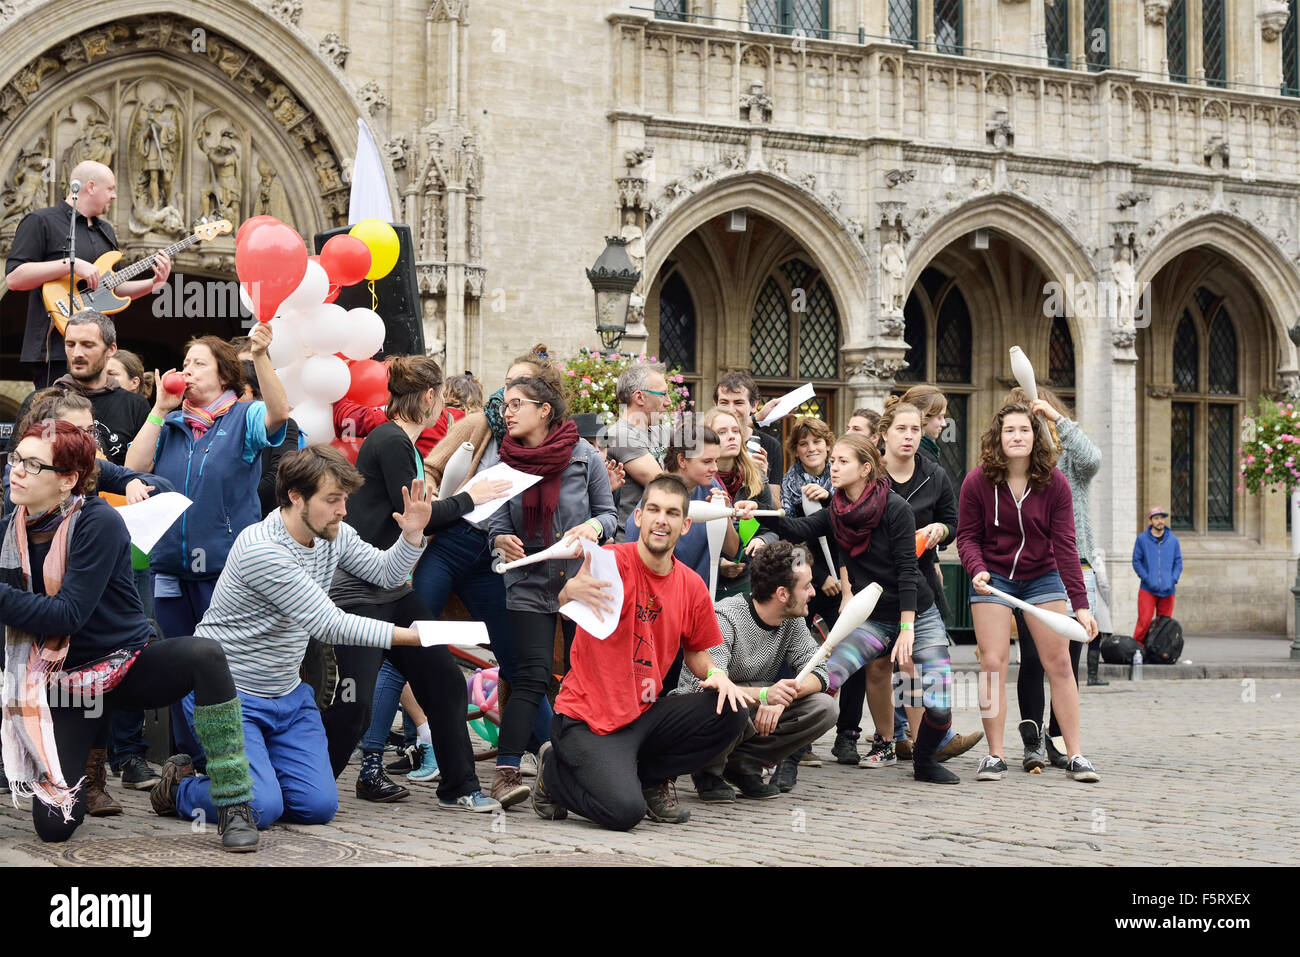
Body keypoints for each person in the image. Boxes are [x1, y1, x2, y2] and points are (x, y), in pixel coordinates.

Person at [1, 420, 257, 851]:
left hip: (127, 662)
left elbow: (67, 615)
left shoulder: (97, 522)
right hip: (67, 683)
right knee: (54, 826)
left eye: (32, 464)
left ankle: (234, 803)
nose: (17, 471)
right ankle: (89, 766)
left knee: (206, 656)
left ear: (67, 480)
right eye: (15, 459)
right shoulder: (10, 529)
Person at [170, 446, 457, 828]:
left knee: (317, 807)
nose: (343, 510)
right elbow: (330, 624)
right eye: (333, 500)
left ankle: (253, 776)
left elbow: (386, 574)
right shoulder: (263, 550)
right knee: (260, 808)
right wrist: (412, 637)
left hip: (287, 695)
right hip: (227, 695)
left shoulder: (331, 533)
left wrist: (411, 537)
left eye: (345, 500)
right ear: (295, 496)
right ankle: (181, 788)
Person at [324, 356, 509, 809]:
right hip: (358, 591)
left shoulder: (397, 441)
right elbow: (422, 521)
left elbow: (416, 522)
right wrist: (473, 496)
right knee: (354, 703)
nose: (441, 410)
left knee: (443, 680)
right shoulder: (390, 440)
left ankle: (460, 787)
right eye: (439, 400)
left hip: (393, 588)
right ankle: (311, 783)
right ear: (428, 398)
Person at [529, 474, 753, 829]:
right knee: (624, 813)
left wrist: (718, 676)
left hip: (643, 714)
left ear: (685, 524)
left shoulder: (692, 586)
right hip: (586, 721)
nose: (661, 519)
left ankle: (646, 779)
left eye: (672, 512)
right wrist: (569, 589)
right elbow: (553, 599)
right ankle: (553, 773)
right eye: (653, 510)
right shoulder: (609, 562)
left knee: (732, 712)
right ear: (638, 517)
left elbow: (698, 654)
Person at [779, 433, 961, 784]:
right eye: (833, 461)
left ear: (865, 469)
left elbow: (908, 570)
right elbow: (795, 527)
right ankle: (787, 758)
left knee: (939, 704)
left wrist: (907, 628)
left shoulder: (896, 508)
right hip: (872, 617)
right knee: (824, 677)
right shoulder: (836, 511)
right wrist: (753, 517)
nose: (833, 467)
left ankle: (924, 762)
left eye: (842, 462)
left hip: (918, 615)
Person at [418, 346, 558, 778]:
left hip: (494, 557)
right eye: (509, 385)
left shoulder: (541, 446)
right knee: (413, 634)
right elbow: (432, 469)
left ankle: (555, 751)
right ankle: (391, 749)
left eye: (522, 390)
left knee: (516, 658)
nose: (510, 396)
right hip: (454, 538)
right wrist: (439, 507)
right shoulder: (480, 423)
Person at [486, 369, 617, 807]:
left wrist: (595, 526)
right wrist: (498, 539)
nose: (507, 413)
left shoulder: (584, 455)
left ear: (544, 410)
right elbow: (496, 524)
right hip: (527, 579)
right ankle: (506, 773)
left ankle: (576, 767)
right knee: (533, 675)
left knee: (583, 677)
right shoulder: (503, 463)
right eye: (505, 406)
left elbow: (610, 513)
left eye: (515, 405)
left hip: (580, 580)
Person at [955, 395, 1101, 783]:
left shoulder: (1055, 484)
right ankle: (995, 755)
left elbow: (1066, 546)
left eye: (1024, 430)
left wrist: (1081, 606)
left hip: (1042, 576)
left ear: (1036, 437)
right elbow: (966, 536)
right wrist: (977, 568)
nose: (1017, 436)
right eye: (1009, 430)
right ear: (997, 437)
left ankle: (1076, 755)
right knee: (992, 664)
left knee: (1060, 665)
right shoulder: (977, 481)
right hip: (994, 579)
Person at [124, 325, 288, 646]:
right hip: (169, 569)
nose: (188, 370)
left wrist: (258, 355)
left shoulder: (245, 416)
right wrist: (158, 409)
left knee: (223, 665)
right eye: (186, 364)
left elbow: (279, 412)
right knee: (177, 666)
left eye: (199, 364)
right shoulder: (169, 423)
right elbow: (134, 467)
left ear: (224, 376)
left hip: (226, 571)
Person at [680, 542, 837, 801]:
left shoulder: (793, 620)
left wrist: (784, 696)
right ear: (782, 594)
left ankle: (742, 766)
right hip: (701, 711)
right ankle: (707, 770)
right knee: (732, 706)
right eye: (806, 586)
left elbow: (820, 672)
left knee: (824, 707)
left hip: (747, 703)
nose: (812, 592)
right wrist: (765, 695)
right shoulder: (725, 616)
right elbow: (709, 687)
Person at [4, 160, 170, 389]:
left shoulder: (106, 231)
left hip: (99, 354)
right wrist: (69, 265)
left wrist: (153, 283)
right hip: (56, 349)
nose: (114, 196)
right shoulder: (41, 221)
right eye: (110, 189)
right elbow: (14, 278)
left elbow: (112, 289)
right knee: (58, 420)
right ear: (91, 186)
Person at [1014, 387, 1109, 771]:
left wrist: (1055, 418)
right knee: (1033, 659)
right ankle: (1032, 738)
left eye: (1030, 419)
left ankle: (1058, 737)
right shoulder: (1013, 468)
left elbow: (1094, 457)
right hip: (1031, 574)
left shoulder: (1069, 461)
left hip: (1076, 570)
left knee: (1066, 661)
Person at [6, 311, 150, 467]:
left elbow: (144, 471)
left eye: (88, 345)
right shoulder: (40, 401)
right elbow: (13, 465)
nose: (77, 353)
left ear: (111, 350)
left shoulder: (135, 405)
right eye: (70, 344)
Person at [700, 406, 778, 598]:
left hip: (747, 580)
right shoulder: (699, 477)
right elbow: (687, 539)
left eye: (736, 431)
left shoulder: (756, 476)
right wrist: (717, 564)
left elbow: (773, 525)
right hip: (704, 580)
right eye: (722, 432)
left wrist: (763, 540)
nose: (732, 436)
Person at [607, 363, 669, 542]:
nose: (668, 402)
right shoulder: (621, 435)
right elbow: (665, 486)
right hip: (630, 544)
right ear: (640, 397)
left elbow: (707, 440)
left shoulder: (655, 430)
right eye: (663, 394)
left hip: (652, 538)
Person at [713, 371, 783, 500]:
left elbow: (775, 509)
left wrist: (762, 478)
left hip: (750, 519)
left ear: (754, 405)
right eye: (724, 402)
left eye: (738, 403)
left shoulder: (771, 446)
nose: (730, 409)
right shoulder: (704, 441)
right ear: (715, 404)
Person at [1131, 506, 1181, 645]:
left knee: (1164, 624)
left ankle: (1160, 651)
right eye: (1156, 518)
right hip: (1148, 589)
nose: (1160, 521)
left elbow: (1178, 562)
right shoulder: (1142, 539)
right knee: (1144, 622)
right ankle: (1138, 649)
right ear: (1150, 521)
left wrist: (1173, 579)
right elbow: (1136, 561)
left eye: (1162, 518)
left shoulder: (1173, 540)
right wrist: (1147, 578)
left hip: (1168, 589)